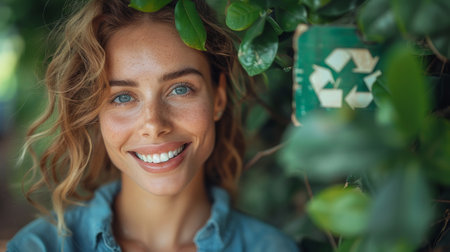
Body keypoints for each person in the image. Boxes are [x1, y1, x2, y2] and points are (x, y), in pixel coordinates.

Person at [7, 0, 298, 251]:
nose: (154, 124)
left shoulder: (272, 249)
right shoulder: (40, 247)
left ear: (218, 98)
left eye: (181, 89)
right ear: (95, 111)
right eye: (122, 97)